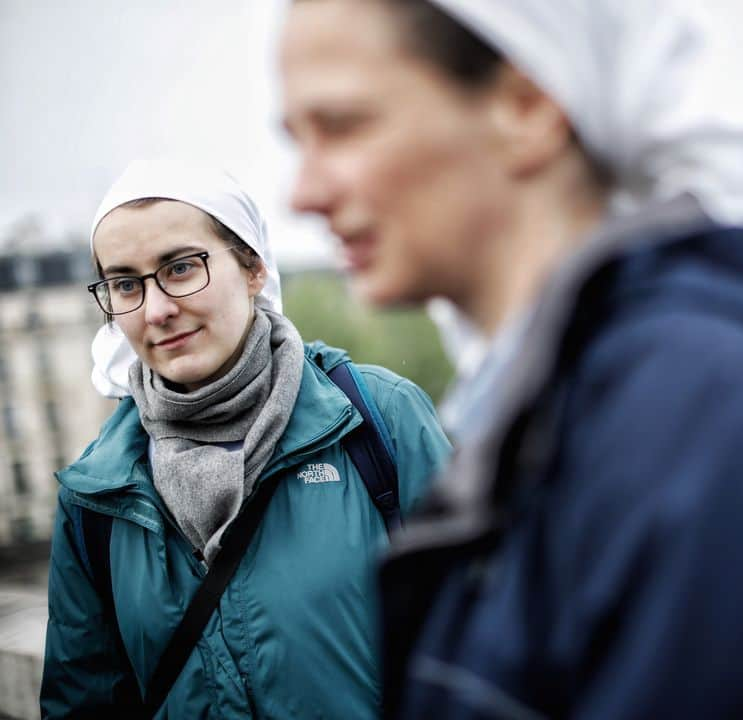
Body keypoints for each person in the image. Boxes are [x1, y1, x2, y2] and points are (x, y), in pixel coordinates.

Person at [280, 1, 743, 717]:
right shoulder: (578, 408)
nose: (303, 192)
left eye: (342, 127)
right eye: (295, 140)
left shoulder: (705, 421)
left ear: (526, 106)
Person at [39, 158, 451, 719]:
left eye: (181, 267)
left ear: (253, 268)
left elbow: (486, 644)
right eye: (125, 284)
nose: (156, 309)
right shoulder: (95, 494)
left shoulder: (379, 419)